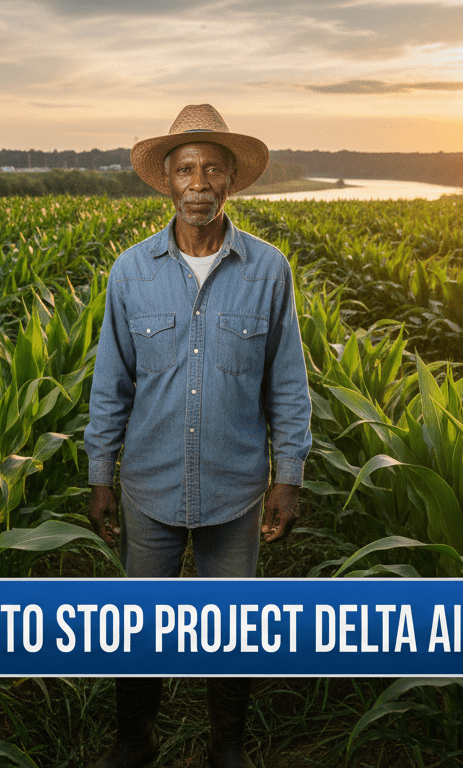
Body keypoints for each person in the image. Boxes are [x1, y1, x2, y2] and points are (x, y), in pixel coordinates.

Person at [83, 104, 312, 768]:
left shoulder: (269, 270)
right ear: (168, 181)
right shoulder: (131, 271)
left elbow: (288, 384)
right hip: (148, 483)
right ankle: (135, 738)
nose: (199, 182)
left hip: (235, 485)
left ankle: (227, 745)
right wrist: (101, 474)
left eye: (213, 167)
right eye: (185, 168)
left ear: (232, 180)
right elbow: (111, 382)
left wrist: (287, 477)